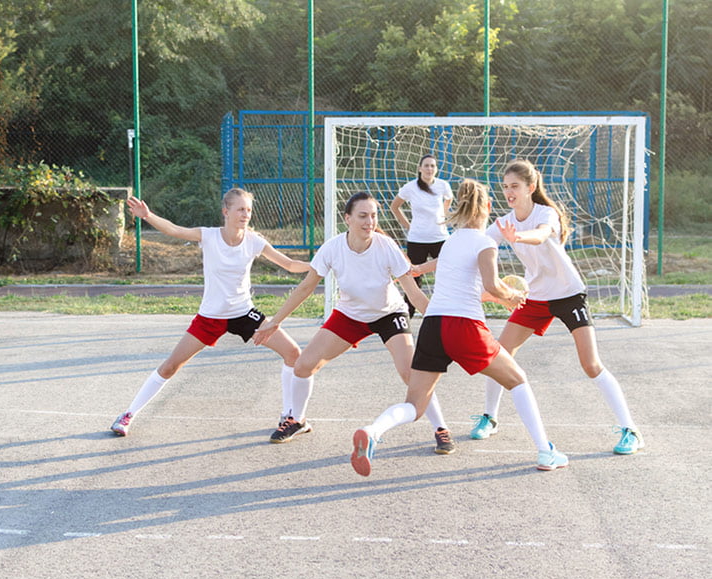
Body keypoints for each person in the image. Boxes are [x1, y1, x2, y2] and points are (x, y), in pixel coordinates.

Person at [350, 179, 568, 477]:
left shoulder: (451, 242)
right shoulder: (485, 242)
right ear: (488, 208)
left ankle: (373, 431)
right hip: (463, 325)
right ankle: (546, 450)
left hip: (432, 326)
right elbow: (491, 284)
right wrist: (511, 296)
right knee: (517, 379)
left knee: (414, 406)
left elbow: (466, 287)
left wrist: (496, 293)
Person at [254, 191, 455, 454]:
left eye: (373, 216)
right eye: (362, 216)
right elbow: (305, 288)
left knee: (411, 374)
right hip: (350, 315)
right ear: (347, 218)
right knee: (303, 366)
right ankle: (298, 420)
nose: (369, 221)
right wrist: (275, 321)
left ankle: (440, 428)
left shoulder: (387, 247)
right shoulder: (333, 248)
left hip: (389, 314)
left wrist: (443, 323)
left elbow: (414, 294)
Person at [469, 158, 644, 456]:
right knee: (499, 353)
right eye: (505, 187)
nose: (509, 192)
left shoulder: (545, 213)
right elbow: (473, 248)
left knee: (590, 364)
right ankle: (490, 416)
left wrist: (518, 237)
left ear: (531, 187)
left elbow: (540, 235)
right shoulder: (504, 222)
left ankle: (631, 430)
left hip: (568, 293)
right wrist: (428, 265)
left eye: (515, 187)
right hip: (535, 296)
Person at [109, 188, 310, 436]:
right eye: (240, 209)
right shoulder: (209, 236)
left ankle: (289, 415)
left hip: (243, 314)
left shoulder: (254, 241)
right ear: (226, 212)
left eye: (248, 210)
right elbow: (174, 230)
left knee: (293, 353)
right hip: (210, 317)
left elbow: (289, 264)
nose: (245, 214)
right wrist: (147, 216)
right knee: (171, 366)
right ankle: (129, 414)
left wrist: (318, 265)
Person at [390, 154, 453, 316]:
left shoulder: (443, 185)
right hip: (417, 239)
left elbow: (449, 199)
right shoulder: (410, 187)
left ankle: (446, 311)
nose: (429, 169)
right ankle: (406, 314)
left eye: (432, 166)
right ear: (419, 169)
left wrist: (443, 215)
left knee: (447, 275)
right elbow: (395, 206)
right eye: (426, 165)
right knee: (413, 278)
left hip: (440, 238)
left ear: (436, 169)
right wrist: (408, 226)